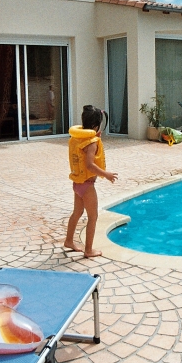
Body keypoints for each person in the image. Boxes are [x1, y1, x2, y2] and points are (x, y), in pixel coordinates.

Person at [64, 105, 118, 258]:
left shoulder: (78, 138)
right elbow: (89, 165)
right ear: (95, 126)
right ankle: (89, 250)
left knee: (77, 212)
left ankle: (69, 241)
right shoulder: (91, 142)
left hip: (77, 183)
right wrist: (106, 174)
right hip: (87, 185)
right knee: (93, 217)